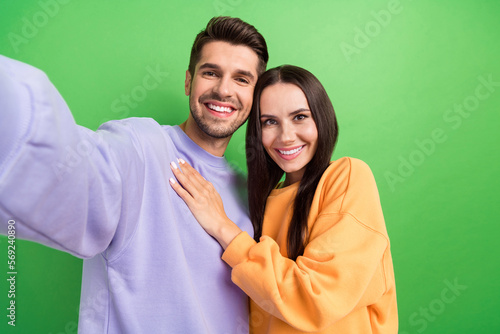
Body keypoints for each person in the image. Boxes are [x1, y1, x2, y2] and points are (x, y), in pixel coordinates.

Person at [0, 16, 268, 333]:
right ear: (188, 81)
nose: (223, 90)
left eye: (242, 79)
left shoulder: (250, 192)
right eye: (211, 72)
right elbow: (70, 176)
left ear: (254, 97)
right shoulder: (140, 146)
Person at [170, 65, 398, 333]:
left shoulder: (347, 177)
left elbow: (315, 300)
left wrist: (222, 226)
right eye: (269, 122)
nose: (286, 136)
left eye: (300, 117)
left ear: (321, 119)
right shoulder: (262, 202)